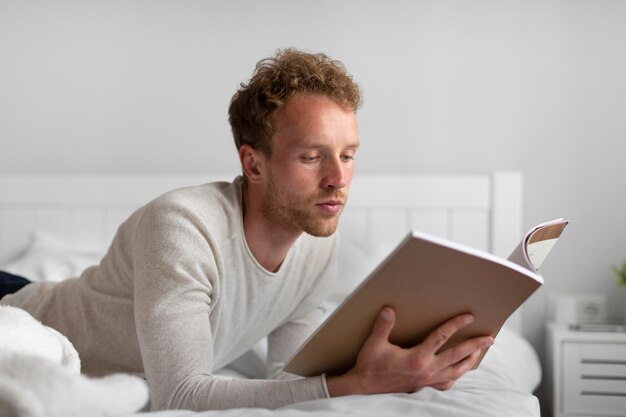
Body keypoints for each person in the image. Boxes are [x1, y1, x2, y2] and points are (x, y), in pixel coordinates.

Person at [0, 48, 493, 410]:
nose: (337, 179)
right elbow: (181, 395)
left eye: (347, 156)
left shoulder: (318, 243)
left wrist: (392, 365)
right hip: (20, 314)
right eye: (311, 156)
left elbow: (285, 378)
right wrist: (352, 385)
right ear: (253, 165)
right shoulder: (183, 225)